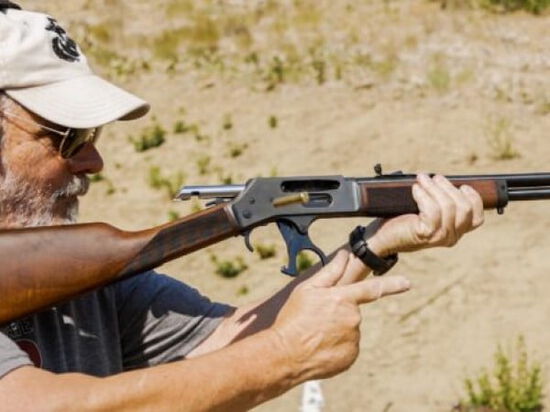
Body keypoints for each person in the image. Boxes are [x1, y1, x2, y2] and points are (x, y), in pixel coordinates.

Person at [0, 4, 484, 411]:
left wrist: (372, 244)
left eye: (94, 137)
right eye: (70, 138)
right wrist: (287, 356)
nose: (94, 161)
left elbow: (231, 341)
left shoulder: (76, 281)